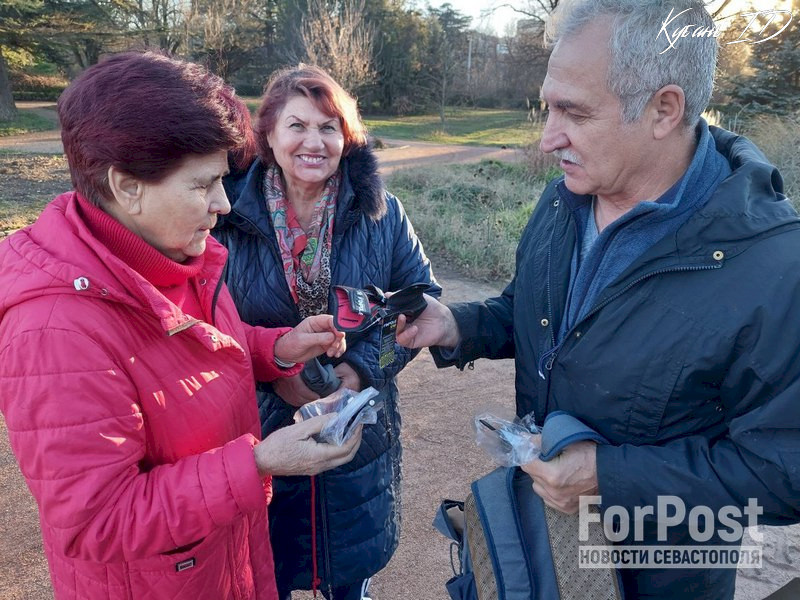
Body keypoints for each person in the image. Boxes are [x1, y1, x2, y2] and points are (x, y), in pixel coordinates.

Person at [396, 1, 800, 598]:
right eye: (547, 106)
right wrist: (457, 324)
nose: (546, 136)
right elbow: (541, 315)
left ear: (665, 109)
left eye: (573, 113)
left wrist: (610, 478)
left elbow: (784, 472)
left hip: (660, 580)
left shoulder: (774, 265)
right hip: (545, 554)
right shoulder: (564, 197)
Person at [0, 52, 364, 600]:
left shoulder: (172, 253)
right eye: (203, 184)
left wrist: (278, 347)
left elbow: (197, 352)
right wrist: (260, 460)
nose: (222, 203)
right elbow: (95, 520)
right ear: (126, 187)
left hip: (223, 561)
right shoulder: (54, 328)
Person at [213, 65, 440, 600]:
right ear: (267, 134)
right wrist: (275, 374)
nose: (314, 142)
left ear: (348, 137)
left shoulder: (382, 213)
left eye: (329, 127)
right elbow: (205, 321)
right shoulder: (223, 216)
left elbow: (420, 302)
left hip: (358, 428)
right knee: (269, 570)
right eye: (297, 126)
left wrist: (357, 370)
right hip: (259, 428)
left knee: (349, 573)